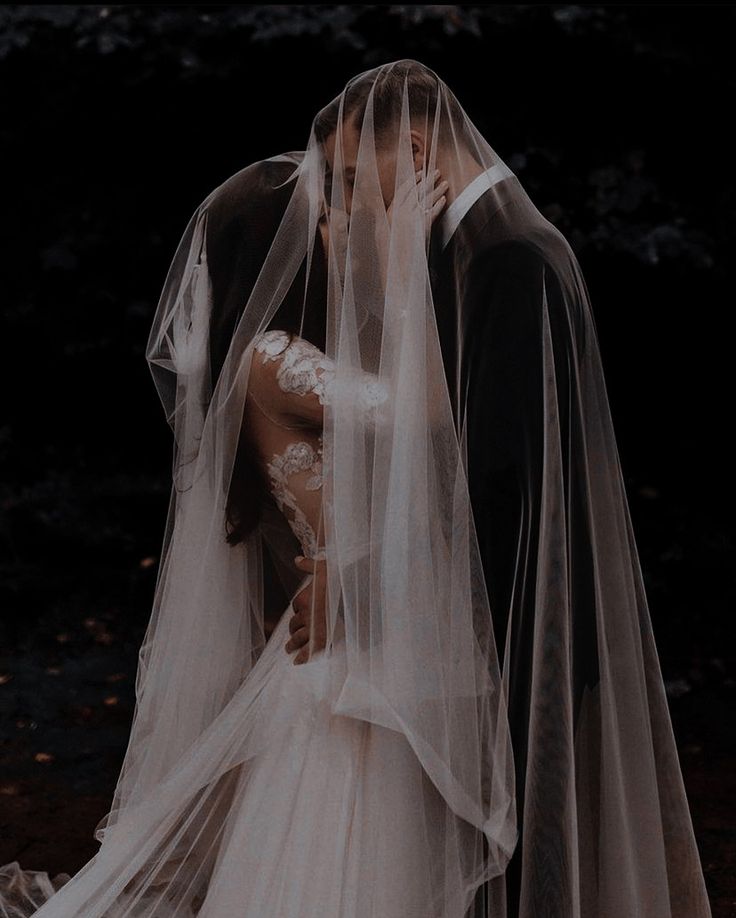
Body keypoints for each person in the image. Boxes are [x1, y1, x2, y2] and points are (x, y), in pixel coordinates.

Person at [0, 59, 712, 918]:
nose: (342, 217)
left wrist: (364, 577)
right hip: (368, 648)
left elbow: (490, 476)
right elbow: (437, 440)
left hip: (419, 628)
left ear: (411, 149)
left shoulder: (508, 261)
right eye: (325, 208)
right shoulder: (284, 357)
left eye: (342, 188)